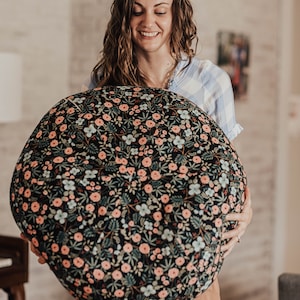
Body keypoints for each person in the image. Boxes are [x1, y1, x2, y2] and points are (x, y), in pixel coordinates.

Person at [25, 0, 253, 299]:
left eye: (160, 11)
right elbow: (82, 170)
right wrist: (49, 225)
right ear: (124, 16)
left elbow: (225, 168)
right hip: (118, 256)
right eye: (137, 10)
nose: (148, 21)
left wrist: (245, 211)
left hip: (187, 253)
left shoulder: (210, 81)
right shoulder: (104, 82)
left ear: (176, 16)